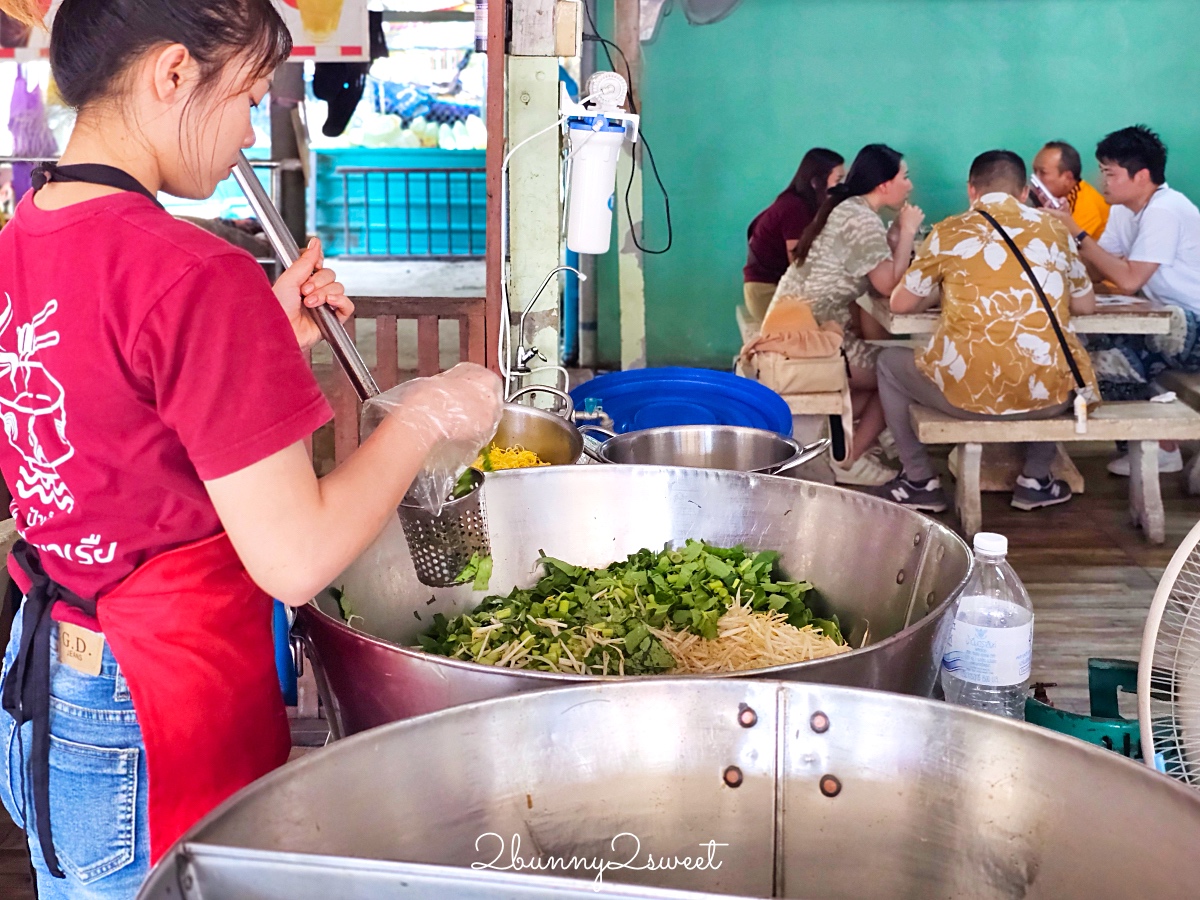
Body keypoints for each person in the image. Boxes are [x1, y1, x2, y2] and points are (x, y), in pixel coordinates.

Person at [0, 1, 503, 897]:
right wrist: (424, 414)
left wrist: (260, 337)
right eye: (248, 96)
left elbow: (114, 410)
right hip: (155, 713)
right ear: (171, 74)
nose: (244, 132)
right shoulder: (194, 272)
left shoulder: (26, 231)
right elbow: (296, 559)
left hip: (49, 692)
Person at [867, 150, 1098, 513]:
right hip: (1045, 401)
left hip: (967, 398)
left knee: (887, 362)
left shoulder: (948, 232)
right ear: (1023, 193)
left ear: (971, 190)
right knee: (1065, 355)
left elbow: (899, 303)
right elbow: (1085, 306)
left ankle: (919, 480)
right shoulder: (1056, 230)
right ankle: (1035, 480)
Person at [766, 143, 923, 486]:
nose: (909, 185)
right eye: (905, 177)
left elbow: (880, 274)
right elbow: (887, 286)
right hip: (805, 336)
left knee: (882, 364)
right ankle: (848, 457)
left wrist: (895, 236)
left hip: (800, 325)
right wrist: (908, 232)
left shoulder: (852, 210)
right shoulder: (859, 218)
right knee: (893, 371)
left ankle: (848, 444)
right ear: (884, 184)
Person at [1049, 125, 1200, 475]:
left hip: (1192, 325)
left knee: (1107, 361)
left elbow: (1129, 279)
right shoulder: (1122, 209)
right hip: (1166, 324)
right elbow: (1102, 269)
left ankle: (1161, 446)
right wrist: (1061, 243)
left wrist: (1077, 232)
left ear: (1141, 176)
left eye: (1110, 173)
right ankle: (1160, 446)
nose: (1102, 182)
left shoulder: (1165, 209)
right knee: (1085, 353)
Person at [742, 148, 845, 321]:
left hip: (774, 290)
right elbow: (798, 266)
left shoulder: (799, 203)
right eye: (839, 180)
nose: (843, 187)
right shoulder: (796, 209)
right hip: (767, 293)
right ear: (816, 182)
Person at [1031, 140, 1109, 240]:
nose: (1036, 179)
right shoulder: (1054, 199)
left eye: (1043, 173)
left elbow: (1067, 246)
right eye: (1034, 171)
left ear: (1067, 178)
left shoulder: (1086, 205)